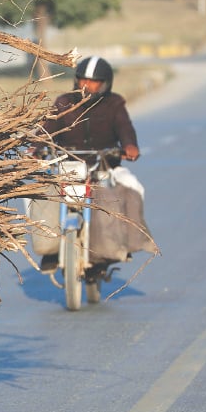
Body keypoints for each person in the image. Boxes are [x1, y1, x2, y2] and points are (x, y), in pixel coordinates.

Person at [35, 56, 143, 284]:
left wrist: (130, 146)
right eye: (83, 80)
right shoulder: (64, 102)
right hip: (68, 166)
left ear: (105, 83)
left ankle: (118, 247)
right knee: (40, 195)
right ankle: (51, 249)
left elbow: (125, 128)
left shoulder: (115, 104)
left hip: (103, 166)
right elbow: (47, 129)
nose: (87, 85)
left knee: (133, 190)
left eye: (94, 82)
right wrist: (35, 148)